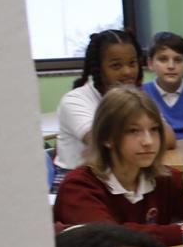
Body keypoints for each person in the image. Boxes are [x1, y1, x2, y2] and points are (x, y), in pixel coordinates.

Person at [54, 86, 183, 245]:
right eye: (133, 131)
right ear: (107, 138)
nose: (148, 141)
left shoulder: (161, 178)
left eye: (154, 130)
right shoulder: (79, 186)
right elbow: (110, 239)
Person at [55, 28, 140, 175]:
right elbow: (104, 143)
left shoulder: (135, 96)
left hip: (117, 176)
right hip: (76, 180)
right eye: (116, 66)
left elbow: (168, 137)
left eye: (132, 63)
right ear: (98, 69)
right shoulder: (74, 100)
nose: (127, 72)